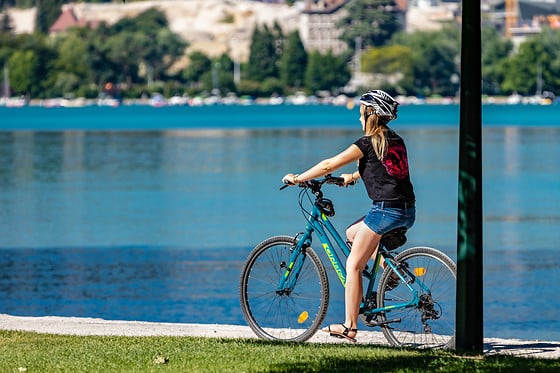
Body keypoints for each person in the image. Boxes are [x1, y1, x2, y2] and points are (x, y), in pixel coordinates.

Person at [282, 89, 415, 343]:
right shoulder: (394, 140)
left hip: (385, 210)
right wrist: (352, 178)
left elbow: (329, 165)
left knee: (353, 265)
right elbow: (388, 169)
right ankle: (389, 270)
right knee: (353, 233)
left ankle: (349, 327)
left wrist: (298, 178)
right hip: (407, 210)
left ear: (370, 115)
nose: (359, 119)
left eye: (361, 113)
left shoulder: (366, 143)